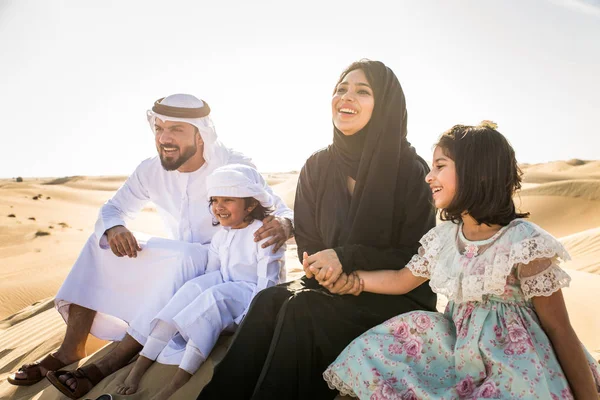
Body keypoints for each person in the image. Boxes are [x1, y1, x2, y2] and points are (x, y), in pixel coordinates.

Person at [8, 94, 293, 397]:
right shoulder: (149, 170)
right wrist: (115, 227)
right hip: (178, 257)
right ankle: (69, 349)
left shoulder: (232, 165)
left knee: (184, 258)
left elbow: (278, 209)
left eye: (176, 130)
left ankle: (107, 365)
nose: (165, 139)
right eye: (159, 129)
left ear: (201, 134)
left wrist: (285, 225)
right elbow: (112, 209)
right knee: (100, 241)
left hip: (219, 263)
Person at [197, 60, 437, 400]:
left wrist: (346, 259)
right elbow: (308, 238)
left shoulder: (411, 171)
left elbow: (416, 254)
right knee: (269, 300)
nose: (346, 97)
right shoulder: (318, 166)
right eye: (341, 89)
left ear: (384, 104)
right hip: (329, 285)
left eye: (362, 91)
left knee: (303, 309)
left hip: (392, 295)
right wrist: (326, 269)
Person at [323, 123, 600, 399]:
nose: (428, 177)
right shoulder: (444, 238)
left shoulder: (522, 242)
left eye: (440, 166)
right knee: (379, 348)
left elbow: (559, 327)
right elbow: (401, 279)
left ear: (477, 173)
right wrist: (354, 281)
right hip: (457, 350)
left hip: (514, 361)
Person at [114, 164, 287, 400]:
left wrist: (248, 321)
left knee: (212, 298)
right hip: (224, 290)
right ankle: (139, 368)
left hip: (252, 302)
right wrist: (196, 295)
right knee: (192, 289)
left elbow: (268, 286)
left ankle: (175, 384)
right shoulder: (221, 236)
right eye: (215, 200)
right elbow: (211, 274)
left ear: (251, 203)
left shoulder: (262, 234)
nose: (219, 207)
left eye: (228, 200)